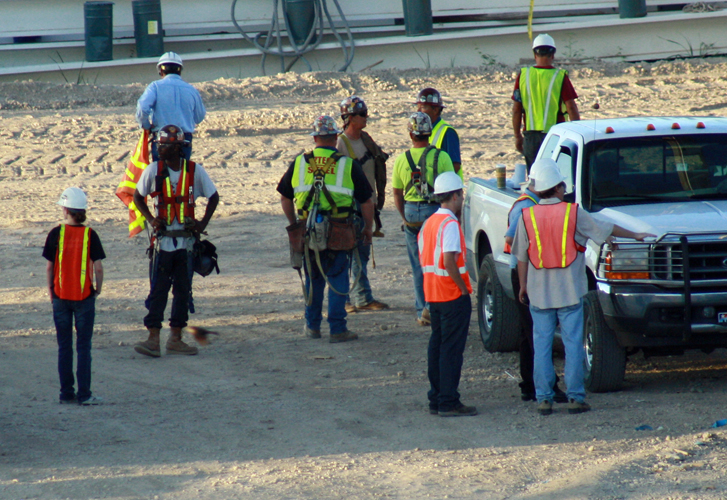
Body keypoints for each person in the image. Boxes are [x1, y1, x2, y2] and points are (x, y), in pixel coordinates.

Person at [512, 160, 653, 415]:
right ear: (557, 188)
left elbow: (521, 257)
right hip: (569, 292)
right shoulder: (573, 213)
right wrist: (635, 236)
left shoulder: (527, 216)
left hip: (539, 294)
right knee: (573, 344)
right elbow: (604, 228)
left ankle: (544, 398)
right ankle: (575, 397)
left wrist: (523, 286)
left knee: (541, 347)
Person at [277, 115, 374, 343]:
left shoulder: (300, 162)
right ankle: (338, 329)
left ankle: (312, 327)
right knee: (338, 278)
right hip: (340, 231)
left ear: (314, 137)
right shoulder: (347, 164)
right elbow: (367, 201)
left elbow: (284, 197)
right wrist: (367, 229)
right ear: (335, 137)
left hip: (308, 230)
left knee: (314, 279)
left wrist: (293, 224)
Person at [132, 124, 219, 357]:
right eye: (159, 144)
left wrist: (201, 225)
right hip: (162, 244)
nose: (160, 148)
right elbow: (137, 197)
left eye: (165, 145)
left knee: (183, 291)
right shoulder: (153, 170)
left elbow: (214, 197)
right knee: (158, 290)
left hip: (186, 245)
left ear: (178, 148)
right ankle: (153, 339)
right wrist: (151, 219)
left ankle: (175, 339)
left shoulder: (194, 171)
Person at [503, 162, 566, 403]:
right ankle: (548, 385)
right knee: (537, 332)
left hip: (523, 271)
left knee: (527, 332)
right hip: (525, 273)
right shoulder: (527, 206)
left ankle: (529, 384)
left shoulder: (525, 203)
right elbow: (510, 237)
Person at [418, 172, 476, 417]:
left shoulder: (429, 223)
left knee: (438, 347)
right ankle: (448, 401)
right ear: (455, 195)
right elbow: (449, 260)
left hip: (433, 295)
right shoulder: (450, 224)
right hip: (452, 295)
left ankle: (437, 398)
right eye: (461, 195)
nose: (462, 200)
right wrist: (462, 289)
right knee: (451, 351)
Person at [43, 187, 105, 405]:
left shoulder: (55, 234)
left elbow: (50, 268)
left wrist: (51, 291)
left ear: (66, 209)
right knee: (83, 347)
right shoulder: (90, 235)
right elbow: (98, 268)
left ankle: (66, 393)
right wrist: (97, 289)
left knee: (64, 347)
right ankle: (85, 394)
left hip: (60, 297)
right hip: (84, 299)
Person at [392, 112, 455, 326]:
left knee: (418, 265)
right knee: (437, 262)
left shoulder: (401, 159)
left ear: (411, 134)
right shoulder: (442, 157)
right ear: (429, 133)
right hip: (435, 212)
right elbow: (452, 189)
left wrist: (404, 217)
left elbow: (397, 193)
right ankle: (435, 307)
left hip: (411, 213)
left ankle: (422, 311)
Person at [337, 95, 390, 313]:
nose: (366, 117)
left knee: (362, 252)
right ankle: (347, 299)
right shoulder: (341, 143)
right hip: (351, 206)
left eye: (366, 112)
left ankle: (360, 297)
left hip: (368, 203)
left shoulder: (366, 140)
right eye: (361, 114)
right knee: (348, 252)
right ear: (348, 118)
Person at [512, 34, 580, 170]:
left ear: (534, 54)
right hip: (555, 135)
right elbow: (571, 108)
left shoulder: (524, 75)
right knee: (555, 176)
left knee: (535, 179)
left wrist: (518, 136)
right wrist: (578, 133)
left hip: (531, 137)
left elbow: (516, 110)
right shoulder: (560, 77)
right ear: (553, 54)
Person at [136, 52, 206, 162]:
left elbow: (142, 108)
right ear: (180, 70)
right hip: (184, 140)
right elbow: (199, 117)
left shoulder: (155, 87)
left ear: (161, 70)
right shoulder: (192, 90)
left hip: (161, 138)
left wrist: (146, 126)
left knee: (159, 174)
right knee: (182, 175)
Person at [415, 88, 462, 180]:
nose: (418, 111)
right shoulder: (425, 130)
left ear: (435, 110)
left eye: (423, 107)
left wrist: (440, 184)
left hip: (446, 190)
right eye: (418, 106)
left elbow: (455, 166)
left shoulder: (448, 132)